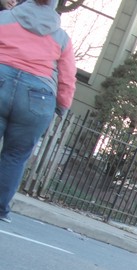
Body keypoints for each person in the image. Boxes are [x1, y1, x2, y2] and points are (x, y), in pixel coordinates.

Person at [0, 0, 75, 224]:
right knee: (15, 156)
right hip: (38, 97)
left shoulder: (4, 19)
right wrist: (62, 105)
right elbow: (67, 78)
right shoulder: (62, 39)